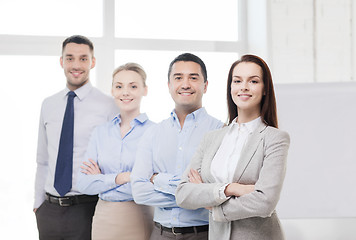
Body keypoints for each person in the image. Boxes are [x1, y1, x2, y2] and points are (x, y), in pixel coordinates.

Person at [175, 54, 290, 240]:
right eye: (237, 81)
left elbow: (265, 201)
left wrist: (211, 204)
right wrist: (229, 189)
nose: (243, 86)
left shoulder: (274, 138)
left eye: (253, 81)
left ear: (265, 89)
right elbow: (183, 194)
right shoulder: (211, 138)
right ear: (230, 87)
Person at [34, 35, 119, 240]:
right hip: (49, 210)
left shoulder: (108, 105)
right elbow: (43, 159)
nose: (76, 65)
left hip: (87, 207)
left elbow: (116, 158)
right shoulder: (49, 104)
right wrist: (38, 204)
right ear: (62, 61)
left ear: (93, 62)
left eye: (83, 58)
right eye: (70, 58)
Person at [131, 53, 223, 240]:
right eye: (178, 77)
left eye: (193, 78)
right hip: (160, 234)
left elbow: (218, 192)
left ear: (205, 86)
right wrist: (193, 193)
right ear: (169, 86)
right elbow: (139, 191)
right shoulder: (153, 133)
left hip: (204, 234)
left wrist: (158, 179)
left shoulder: (221, 131)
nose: (185, 84)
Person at [77, 63, 154, 240]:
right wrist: (123, 177)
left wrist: (101, 179)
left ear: (145, 90)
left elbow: (150, 186)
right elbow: (83, 183)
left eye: (133, 86)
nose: (125, 92)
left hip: (138, 216)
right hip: (103, 217)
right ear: (112, 90)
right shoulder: (100, 132)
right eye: (119, 86)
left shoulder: (155, 132)